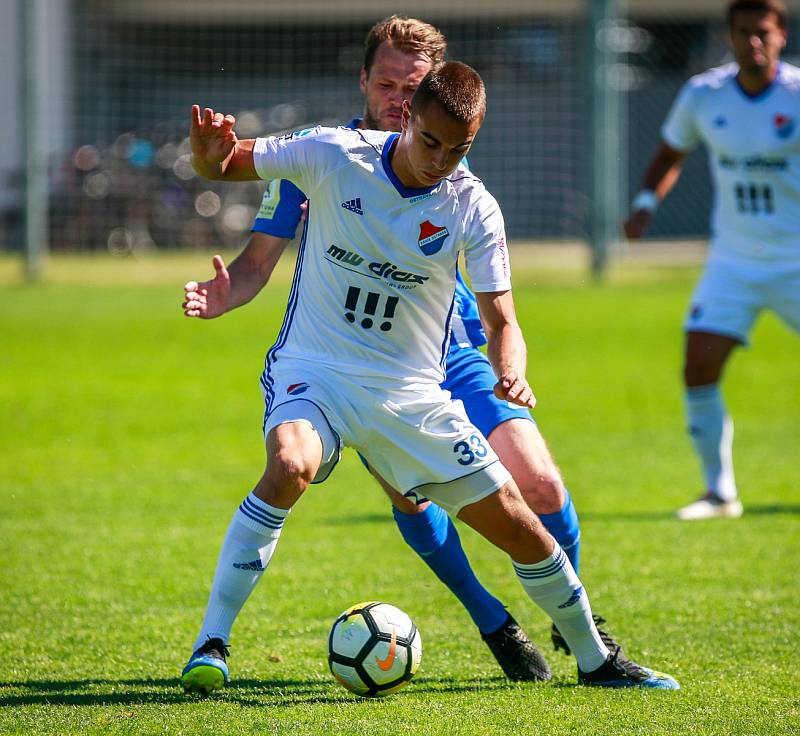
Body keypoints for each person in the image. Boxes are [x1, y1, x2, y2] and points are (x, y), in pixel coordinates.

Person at [180, 61, 679, 695]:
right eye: (431, 142)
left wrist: (512, 370)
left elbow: (503, 319)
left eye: (458, 149)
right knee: (289, 464)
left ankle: (593, 658)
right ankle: (212, 645)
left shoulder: (474, 206)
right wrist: (208, 155)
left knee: (520, 522)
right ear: (408, 115)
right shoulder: (334, 154)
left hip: (410, 395)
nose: (440, 160)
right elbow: (227, 164)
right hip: (317, 371)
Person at [624, 0, 799, 521]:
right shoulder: (704, 94)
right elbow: (668, 153)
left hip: (796, 259)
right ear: (729, 35)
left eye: (762, 33)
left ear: (781, 35)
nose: (753, 43)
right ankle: (719, 493)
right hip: (734, 261)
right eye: (743, 32)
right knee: (698, 366)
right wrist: (645, 203)